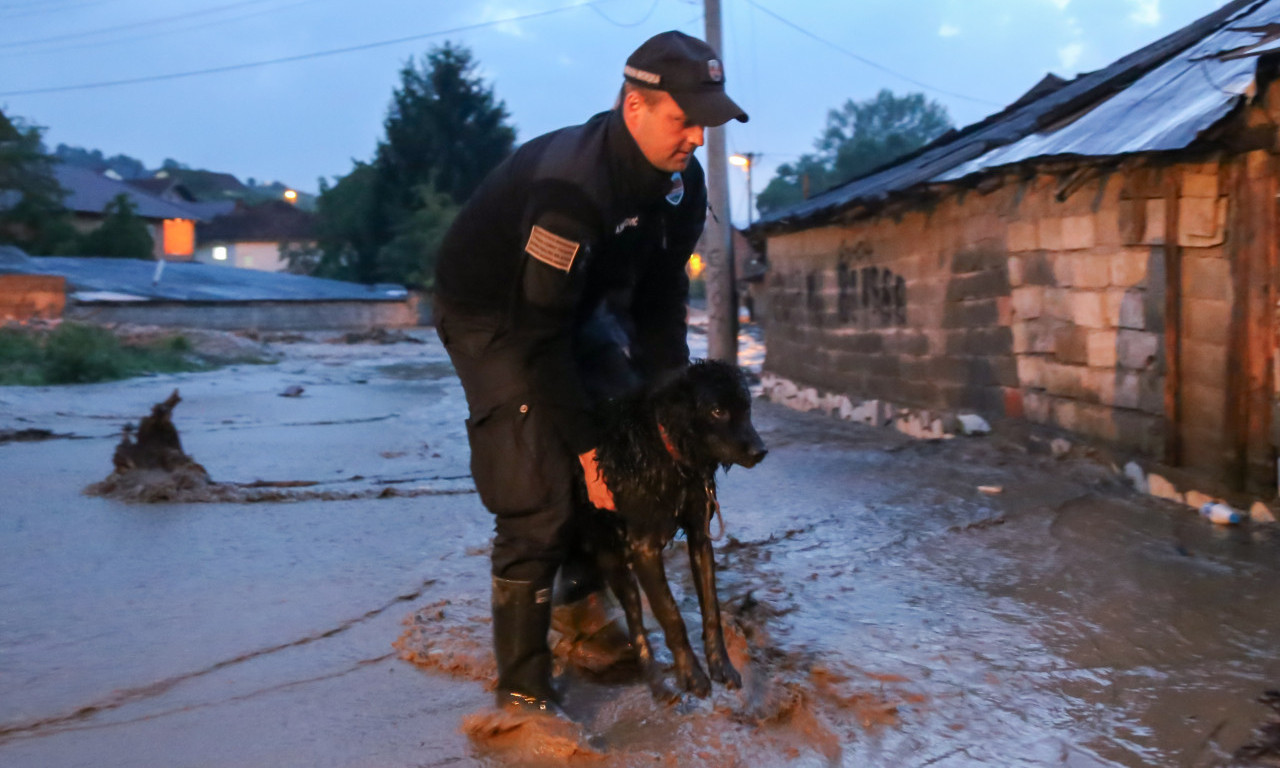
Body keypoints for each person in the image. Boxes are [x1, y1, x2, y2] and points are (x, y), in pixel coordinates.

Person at [433, 30, 748, 715]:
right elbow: (539, 338)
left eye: (705, 123)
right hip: (495, 313)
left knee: (633, 437)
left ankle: (578, 604)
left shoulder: (680, 184)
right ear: (634, 106)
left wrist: (670, 411)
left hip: (587, 306)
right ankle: (522, 690)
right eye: (683, 120)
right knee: (537, 481)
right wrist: (586, 452)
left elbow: (663, 300)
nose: (696, 137)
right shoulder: (570, 192)